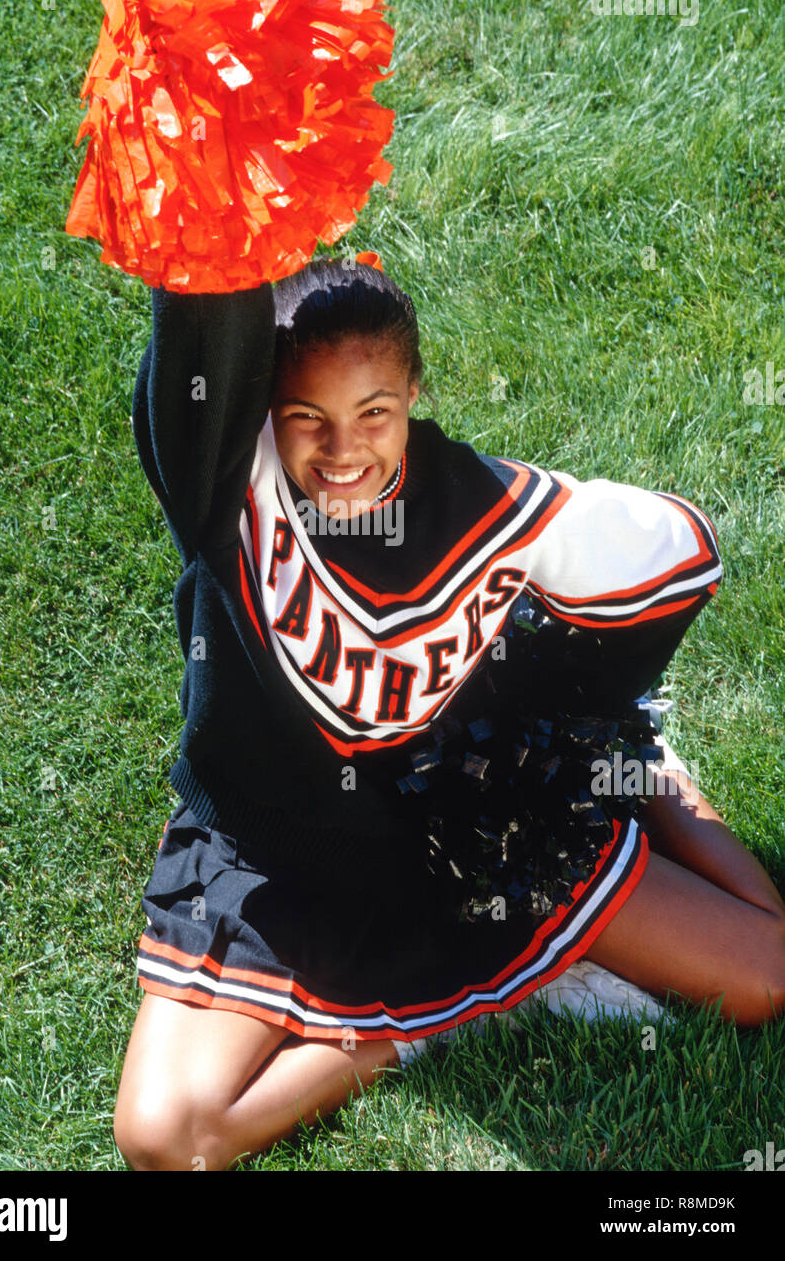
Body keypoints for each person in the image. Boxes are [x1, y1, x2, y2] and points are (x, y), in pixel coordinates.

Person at [113, 258, 785, 1172]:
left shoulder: (485, 500)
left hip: (471, 823)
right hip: (285, 851)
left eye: (373, 413)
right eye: (305, 415)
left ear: (414, 396)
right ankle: (451, 1013)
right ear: (257, 413)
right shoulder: (232, 503)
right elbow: (195, 352)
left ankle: (645, 773)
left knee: (766, 980)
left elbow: (666, 555)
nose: (341, 450)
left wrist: (591, 717)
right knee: (167, 1140)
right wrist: (203, 225)